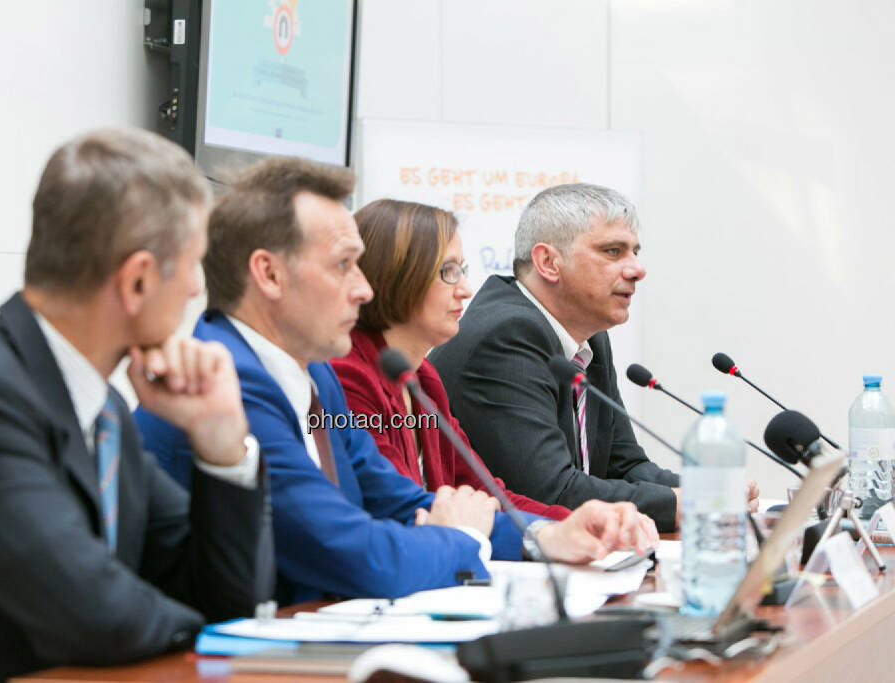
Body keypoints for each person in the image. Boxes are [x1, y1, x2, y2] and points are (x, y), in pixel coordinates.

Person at [135, 158, 657, 607]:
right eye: (344, 266)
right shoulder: (231, 379)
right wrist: (462, 539)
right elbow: (349, 548)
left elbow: (396, 500)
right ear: (269, 275)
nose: (364, 290)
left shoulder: (315, 374)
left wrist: (546, 535)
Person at [0, 129, 269, 683]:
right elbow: (100, 614)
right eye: (196, 262)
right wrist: (218, 635)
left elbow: (229, 597)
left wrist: (223, 444)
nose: (200, 287)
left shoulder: (99, 406)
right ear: (136, 281)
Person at [429, 183, 759, 532]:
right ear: (548, 262)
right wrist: (692, 504)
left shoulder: (589, 337)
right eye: (613, 252)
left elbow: (624, 464)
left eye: (634, 251)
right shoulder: (507, 335)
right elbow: (551, 491)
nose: (637, 269)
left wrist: (707, 491)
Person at [331, 199, 573, 521]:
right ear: (395, 275)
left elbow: (487, 493)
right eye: (448, 272)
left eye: (463, 270)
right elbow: (400, 506)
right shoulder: (347, 375)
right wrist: (550, 533)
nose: (466, 289)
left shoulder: (424, 381)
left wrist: (575, 524)